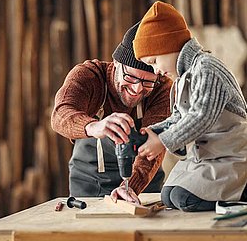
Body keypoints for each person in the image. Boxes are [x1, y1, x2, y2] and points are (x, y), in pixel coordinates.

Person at [116, 1, 247, 211]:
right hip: (205, 157)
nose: (156, 71)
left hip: (228, 156)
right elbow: (179, 117)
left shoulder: (207, 68)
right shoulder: (182, 79)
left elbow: (201, 117)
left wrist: (162, 141)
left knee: (185, 199)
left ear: (169, 46)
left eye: (154, 61)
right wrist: (153, 132)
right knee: (169, 195)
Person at [51, 21, 172, 198]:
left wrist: (131, 187)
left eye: (147, 82)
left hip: (143, 185)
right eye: (130, 77)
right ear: (115, 63)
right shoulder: (89, 76)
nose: (137, 89)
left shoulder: (162, 88)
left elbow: (157, 140)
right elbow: (60, 114)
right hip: (89, 182)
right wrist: (93, 127)